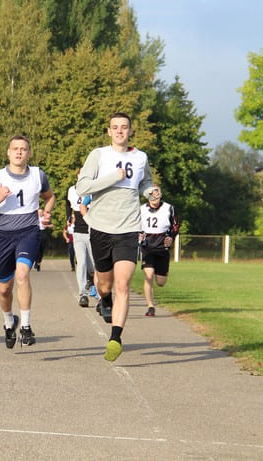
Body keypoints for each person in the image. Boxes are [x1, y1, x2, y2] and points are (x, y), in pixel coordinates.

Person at [75, 112, 154, 362]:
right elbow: (82, 188)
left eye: (124, 127)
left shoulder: (141, 157)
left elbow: (145, 182)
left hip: (129, 228)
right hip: (100, 227)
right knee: (105, 285)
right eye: (115, 127)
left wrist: (151, 191)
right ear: (108, 132)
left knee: (123, 285)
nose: (120, 131)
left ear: (131, 131)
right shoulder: (99, 155)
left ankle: (115, 338)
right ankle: (104, 300)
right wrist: (113, 177)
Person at [0, 135, 55, 348]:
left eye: (23, 149)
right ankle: (9, 322)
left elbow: (50, 197)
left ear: (29, 153)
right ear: (8, 153)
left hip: (28, 232)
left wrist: (46, 213)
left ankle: (27, 327)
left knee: (22, 274)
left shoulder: (38, 175)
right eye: (15, 149)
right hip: (3, 235)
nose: (19, 152)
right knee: (4, 289)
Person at [139, 186, 179, 317]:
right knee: (148, 275)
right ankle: (151, 306)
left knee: (161, 282)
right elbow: (134, 224)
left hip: (162, 247)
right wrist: (138, 234)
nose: (154, 196)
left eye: (157, 193)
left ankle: (161, 272)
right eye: (152, 193)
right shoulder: (141, 209)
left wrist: (171, 237)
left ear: (160, 195)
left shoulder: (169, 208)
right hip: (147, 246)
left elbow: (176, 225)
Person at [67, 178, 95, 307]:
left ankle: (93, 282)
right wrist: (68, 217)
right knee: (81, 262)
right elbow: (68, 203)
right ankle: (83, 294)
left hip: (93, 233)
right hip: (78, 233)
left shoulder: (95, 189)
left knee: (93, 266)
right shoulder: (72, 190)